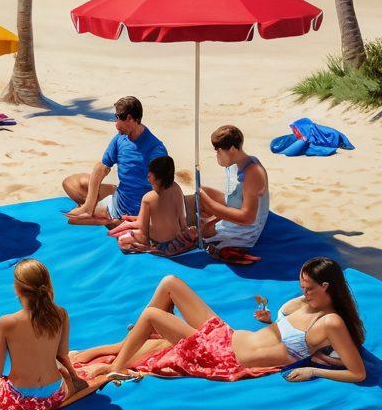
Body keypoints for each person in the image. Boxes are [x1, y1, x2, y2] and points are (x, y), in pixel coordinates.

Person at [74, 259, 366, 383]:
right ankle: (141, 338)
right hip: (228, 337)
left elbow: (358, 373)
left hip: (226, 358)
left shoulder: (331, 323)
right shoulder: (306, 303)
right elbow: (287, 337)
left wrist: (315, 372)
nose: (303, 293)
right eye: (302, 287)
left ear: (326, 288)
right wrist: (268, 320)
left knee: (151, 315)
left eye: (309, 289)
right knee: (170, 282)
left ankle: (116, 367)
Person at [0, 260, 89, 410]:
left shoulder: (7, 322)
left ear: (16, 288)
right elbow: (62, 355)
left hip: (20, 404)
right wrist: (75, 378)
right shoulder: (61, 314)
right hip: (55, 396)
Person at [63, 96, 167, 226]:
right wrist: (88, 205)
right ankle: (90, 208)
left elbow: (163, 190)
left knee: (73, 219)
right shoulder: (120, 139)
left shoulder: (156, 149)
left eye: (117, 118)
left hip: (137, 210)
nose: (116, 125)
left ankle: (108, 217)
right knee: (71, 183)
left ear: (129, 118)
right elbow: (102, 166)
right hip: (120, 196)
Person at [191, 125, 270, 256]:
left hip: (244, 233)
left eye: (219, 151)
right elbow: (233, 201)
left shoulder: (253, 172)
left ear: (232, 149)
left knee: (202, 197)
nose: (217, 155)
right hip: (233, 217)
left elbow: (248, 218)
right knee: (201, 193)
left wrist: (210, 204)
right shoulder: (235, 165)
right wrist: (211, 220)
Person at [109, 155, 189, 255]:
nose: (148, 175)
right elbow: (182, 221)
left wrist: (129, 227)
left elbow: (144, 233)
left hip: (157, 242)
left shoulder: (148, 198)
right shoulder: (176, 188)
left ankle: (148, 248)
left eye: (151, 173)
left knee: (121, 239)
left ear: (158, 177)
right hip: (175, 239)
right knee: (131, 221)